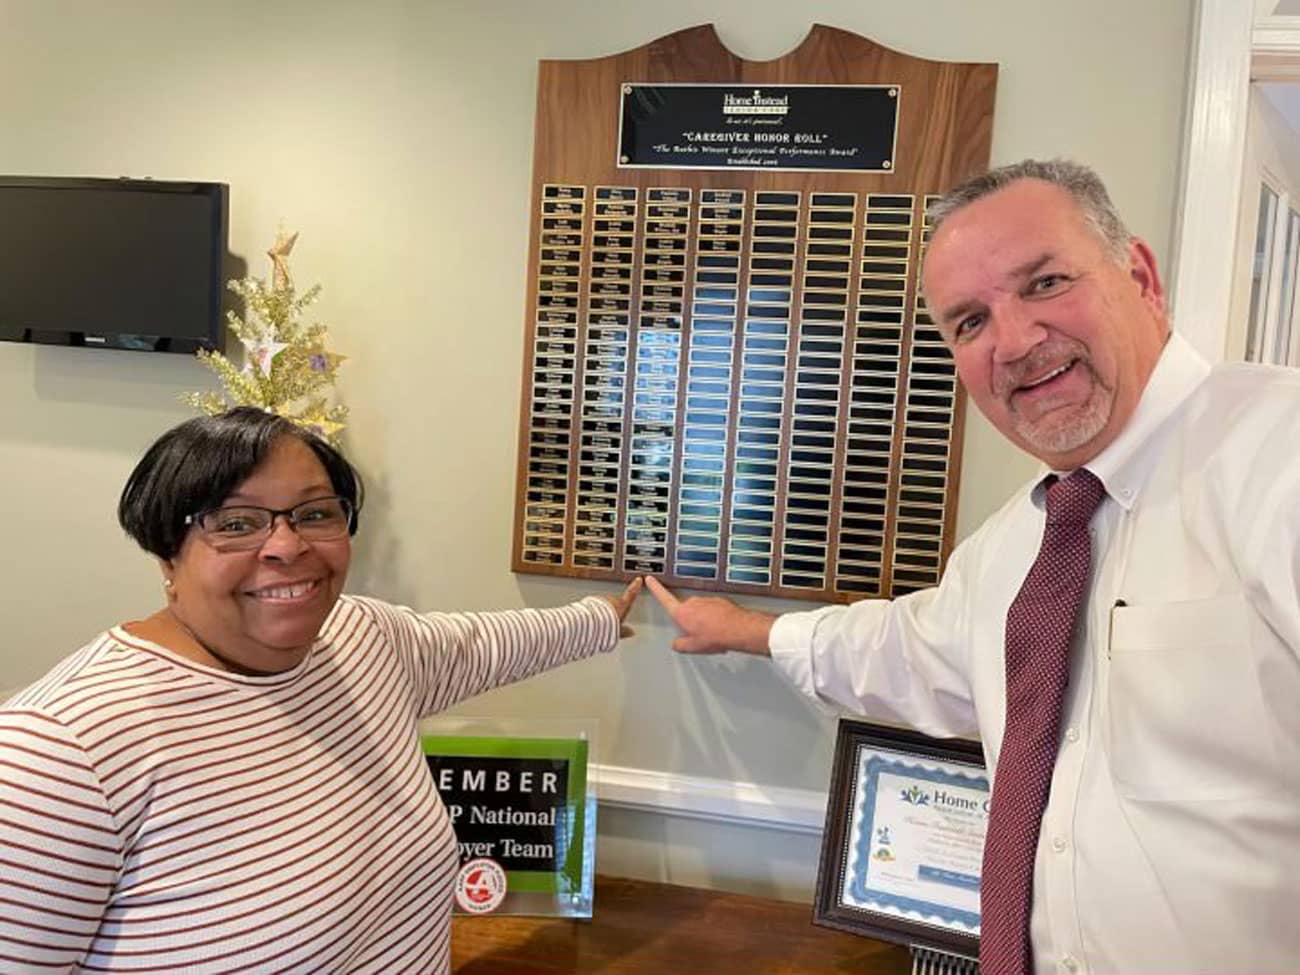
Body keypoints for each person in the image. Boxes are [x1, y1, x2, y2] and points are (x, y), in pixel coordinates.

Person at [647, 159, 1300, 974]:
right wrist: (746, 630)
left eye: (1046, 282)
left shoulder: (1279, 457)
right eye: (970, 321)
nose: (1015, 342)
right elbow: (902, 648)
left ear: (1141, 276)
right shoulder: (1011, 550)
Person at [0, 407, 640, 974]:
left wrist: (603, 618)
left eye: (315, 514)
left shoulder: (361, 640)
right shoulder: (57, 754)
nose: (287, 546)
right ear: (167, 552)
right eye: (237, 522)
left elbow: (482, 646)